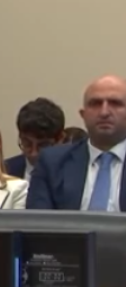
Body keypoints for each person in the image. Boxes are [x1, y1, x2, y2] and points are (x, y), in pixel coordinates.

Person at [28, 75, 126, 211]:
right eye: (95, 104)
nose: (104, 112)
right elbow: (37, 221)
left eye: (115, 103)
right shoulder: (52, 163)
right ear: (83, 115)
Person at [4, 98, 65, 180]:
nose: (33, 154)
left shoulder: (74, 174)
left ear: (60, 139)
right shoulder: (3, 171)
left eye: (43, 145)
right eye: (27, 143)